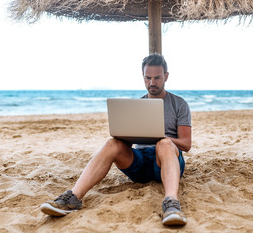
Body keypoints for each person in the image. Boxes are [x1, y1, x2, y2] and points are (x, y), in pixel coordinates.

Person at [40, 53, 192, 226]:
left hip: (167, 160)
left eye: (157, 78)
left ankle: (171, 203)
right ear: (142, 76)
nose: (152, 83)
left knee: (164, 143)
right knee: (112, 144)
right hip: (141, 163)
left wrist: (162, 138)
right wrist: (123, 136)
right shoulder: (137, 106)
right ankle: (73, 197)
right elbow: (128, 144)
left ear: (166, 76)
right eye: (147, 78)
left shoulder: (179, 104)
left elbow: (186, 144)